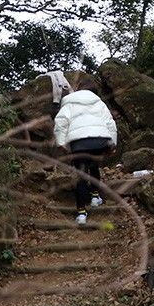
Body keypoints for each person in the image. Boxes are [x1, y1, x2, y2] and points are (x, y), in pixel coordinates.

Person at [53, 81, 118, 225]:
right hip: (99, 140)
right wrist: (113, 143)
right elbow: (110, 123)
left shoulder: (70, 102)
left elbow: (61, 123)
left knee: (81, 175)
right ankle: (95, 198)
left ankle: (81, 214)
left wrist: (61, 143)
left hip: (79, 143)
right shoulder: (99, 103)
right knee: (94, 166)